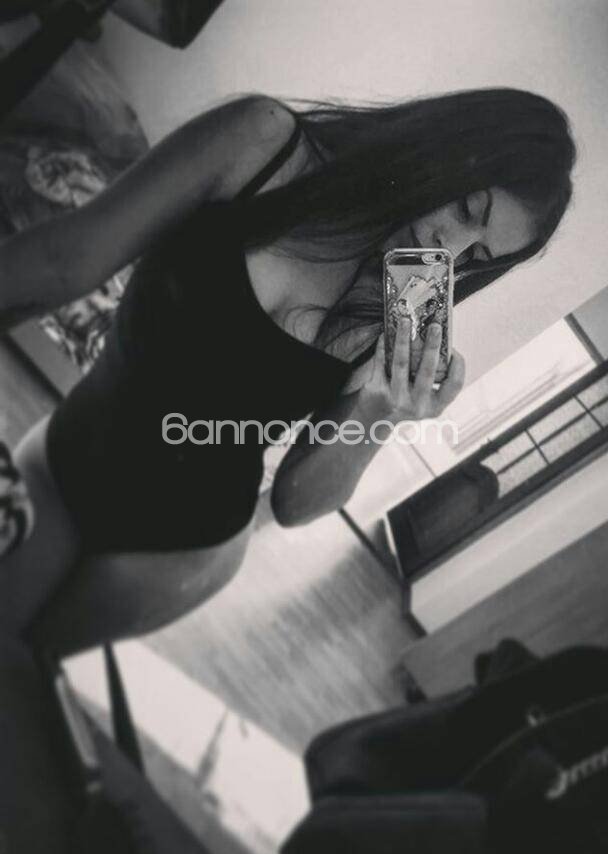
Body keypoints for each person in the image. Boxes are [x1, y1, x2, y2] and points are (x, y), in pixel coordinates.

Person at [0, 87, 576, 655]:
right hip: (71, 456)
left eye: (476, 256)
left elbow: (294, 503)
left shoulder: (393, 312)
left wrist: (380, 413)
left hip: (183, 552)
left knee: (26, 667)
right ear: (448, 141)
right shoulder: (262, 145)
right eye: (467, 209)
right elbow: (64, 260)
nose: (447, 252)